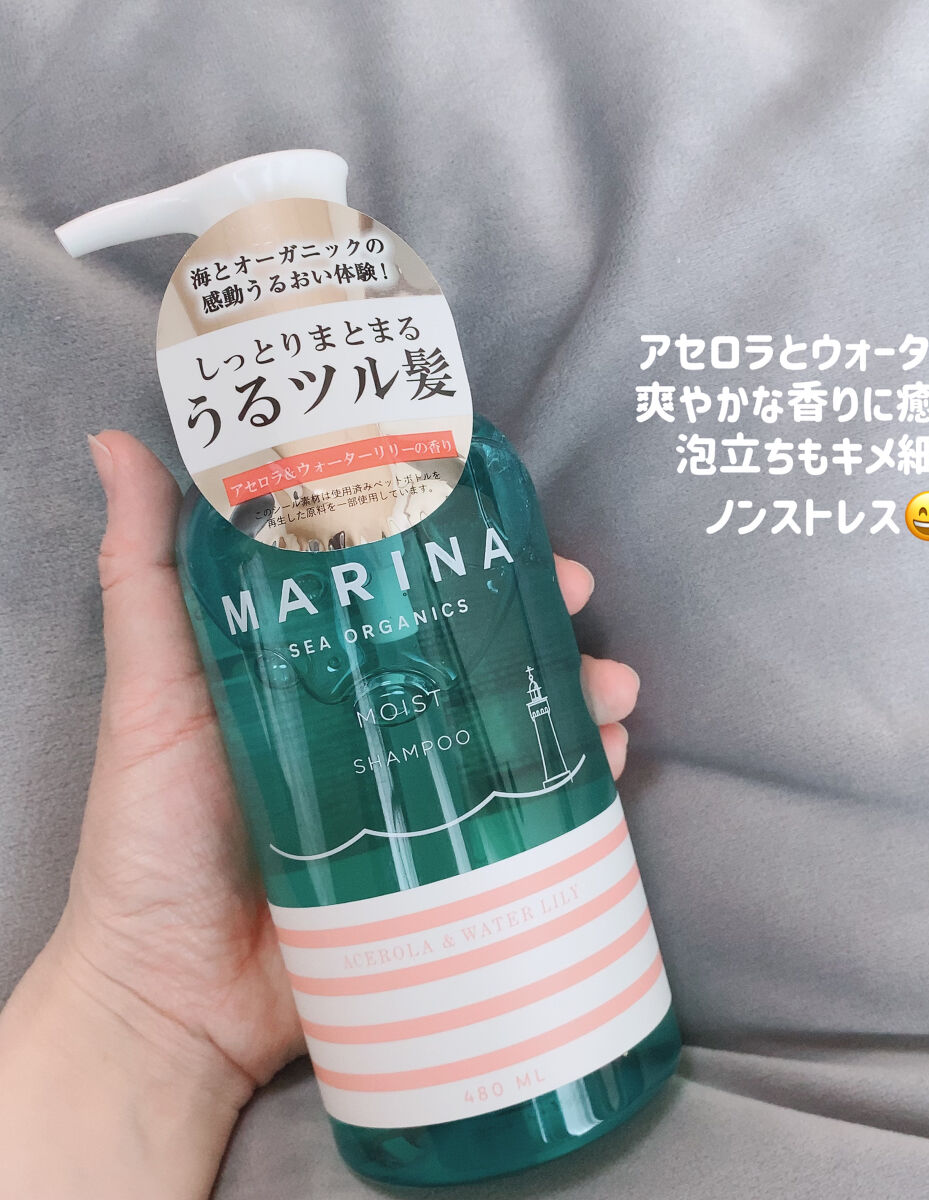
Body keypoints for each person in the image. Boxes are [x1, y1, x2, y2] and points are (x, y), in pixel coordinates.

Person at [0, 431, 642, 1199]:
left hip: (610, 1019)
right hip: (375, 1060)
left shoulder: (455, 453)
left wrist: (146, 1022)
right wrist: (146, 1009)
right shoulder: (228, 520)